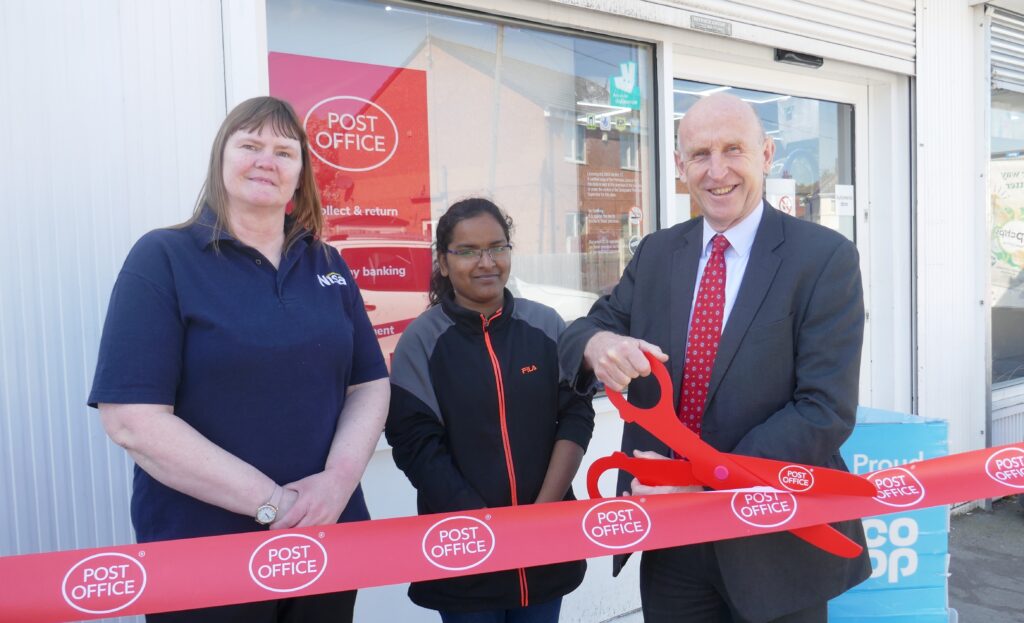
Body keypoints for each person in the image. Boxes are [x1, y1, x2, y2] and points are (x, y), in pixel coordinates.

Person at [557, 93, 870, 623]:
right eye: (700, 154)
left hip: (774, 538)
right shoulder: (658, 253)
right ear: (680, 166)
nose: (717, 171)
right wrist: (597, 345)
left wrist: (706, 482)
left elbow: (823, 410)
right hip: (672, 541)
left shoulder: (823, 259)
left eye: (734, 150)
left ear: (767, 155)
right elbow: (585, 330)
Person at [88, 96, 389, 622]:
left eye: (283, 151)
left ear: (301, 174)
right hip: (204, 555)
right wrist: (273, 503)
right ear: (220, 160)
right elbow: (132, 420)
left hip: (326, 539)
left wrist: (338, 482)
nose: (265, 160)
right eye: (249, 145)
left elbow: (368, 385)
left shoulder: (327, 263)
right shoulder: (163, 258)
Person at [385, 198, 595, 623]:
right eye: (467, 251)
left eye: (497, 247)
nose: (486, 262)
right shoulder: (421, 343)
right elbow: (416, 446)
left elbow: (575, 415)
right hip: (466, 552)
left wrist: (542, 512)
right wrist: (482, 527)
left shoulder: (546, 325)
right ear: (443, 263)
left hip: (544, 546)